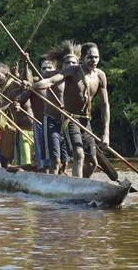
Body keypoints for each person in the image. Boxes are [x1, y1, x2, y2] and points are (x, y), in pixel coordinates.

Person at [30, 42, 110, 178]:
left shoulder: (100, 76)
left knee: (92, 163)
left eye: (96, 57)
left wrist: (106, 133)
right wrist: (32, 87)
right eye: (90, 57)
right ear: (83, 58)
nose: (94, 60)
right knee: (78, 154)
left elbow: (105, 105)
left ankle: (81, 187)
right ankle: (77, 187)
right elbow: (51, 81)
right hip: (70, 119)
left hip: (86, 122)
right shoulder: (72, 71)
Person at [42, 41, 79, 175]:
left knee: (66, 160)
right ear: (62, 65)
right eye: (67, 63)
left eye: (74, 63)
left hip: (67, 121)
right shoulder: (54, 75)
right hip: (51, 120)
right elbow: (36, 78)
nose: (70, 66)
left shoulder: (80, 78)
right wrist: (25, 63)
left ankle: (65, 182)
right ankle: (52, 184)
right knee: (55, 160)